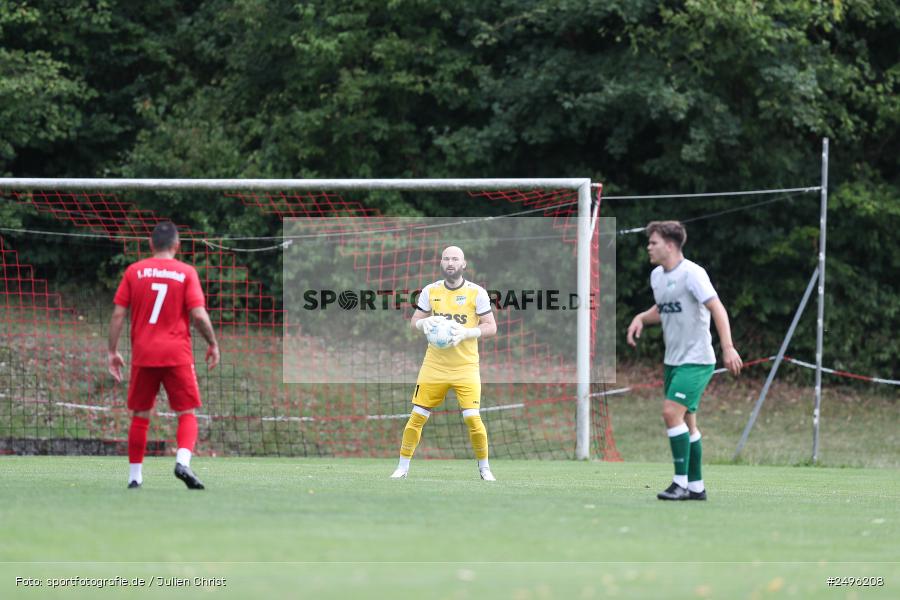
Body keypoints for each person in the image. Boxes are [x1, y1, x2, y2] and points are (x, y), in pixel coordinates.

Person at [626, 221, 742, 501]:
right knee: (688, 423)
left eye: (653, 242)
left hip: (697, 360)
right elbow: (664, 308)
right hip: (673, 361)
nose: (648, 247)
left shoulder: (693, 273)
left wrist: (728, 347)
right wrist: (641, 317)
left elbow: (716, 307)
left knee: (670, 413)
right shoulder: (657, 276)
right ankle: (697, 487)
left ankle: (679, 483)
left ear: (670, 244)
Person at [107, 221, 220, 490]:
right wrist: (213, 343)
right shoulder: (186, 272)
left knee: (141, 415)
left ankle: (135, 477)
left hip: (144, 354)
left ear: (150, 244)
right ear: (176, 245)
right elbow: (198, 314)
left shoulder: (134, 271)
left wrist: (112, 351)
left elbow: (118, 313)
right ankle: (182, 461)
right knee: (187, 413)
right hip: (176, 353)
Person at [390, 246, 498, 481]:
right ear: (441, 263)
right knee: (417, 415)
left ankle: (485, 469)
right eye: (447, 258)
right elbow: (415, 321)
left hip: (466, 366)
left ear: (463, 264)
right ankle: (402, 468)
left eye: (455, 259)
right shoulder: (430, 291)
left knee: (472, 417)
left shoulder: (476, 293)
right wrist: (423, 325)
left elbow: (491, 326)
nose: (451, 262)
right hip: (434, 366)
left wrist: (468, 333)